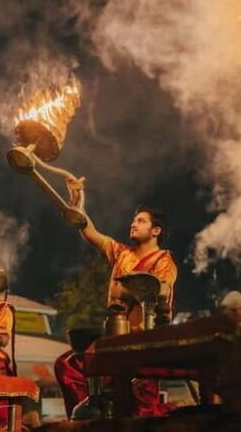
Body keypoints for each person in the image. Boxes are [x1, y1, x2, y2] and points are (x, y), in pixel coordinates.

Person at [55, 177, 178, 417]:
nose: (133, 224)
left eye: (141, 221)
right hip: (113, 339)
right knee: (67, 366)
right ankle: (87, 420)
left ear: (156, 230)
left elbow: (161, 291)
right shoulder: (122, 253)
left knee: (138, 408)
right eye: (133, 220)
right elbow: (89, 231)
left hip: (143, 341)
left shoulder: (163, 259)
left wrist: (122, 292)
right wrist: (78, 204)